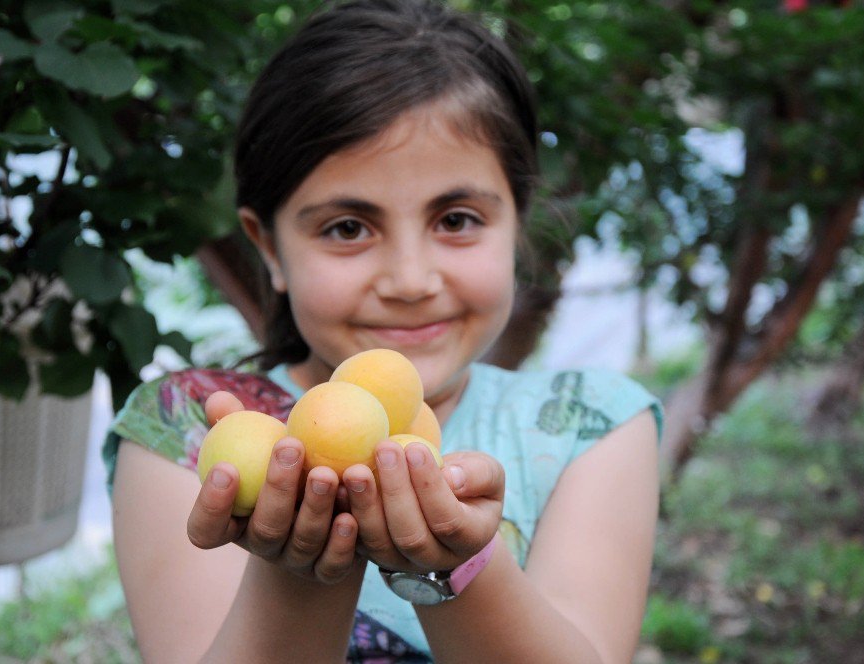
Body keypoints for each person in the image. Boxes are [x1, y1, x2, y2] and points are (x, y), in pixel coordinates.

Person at [104, 1, 663, 662]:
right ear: (271, 249)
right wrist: (300, 571)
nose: (409, 279)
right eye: (347, 228)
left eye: (455, 220)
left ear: (517, 222)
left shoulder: (592, 427)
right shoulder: (189, 437)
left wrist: (455, 564)